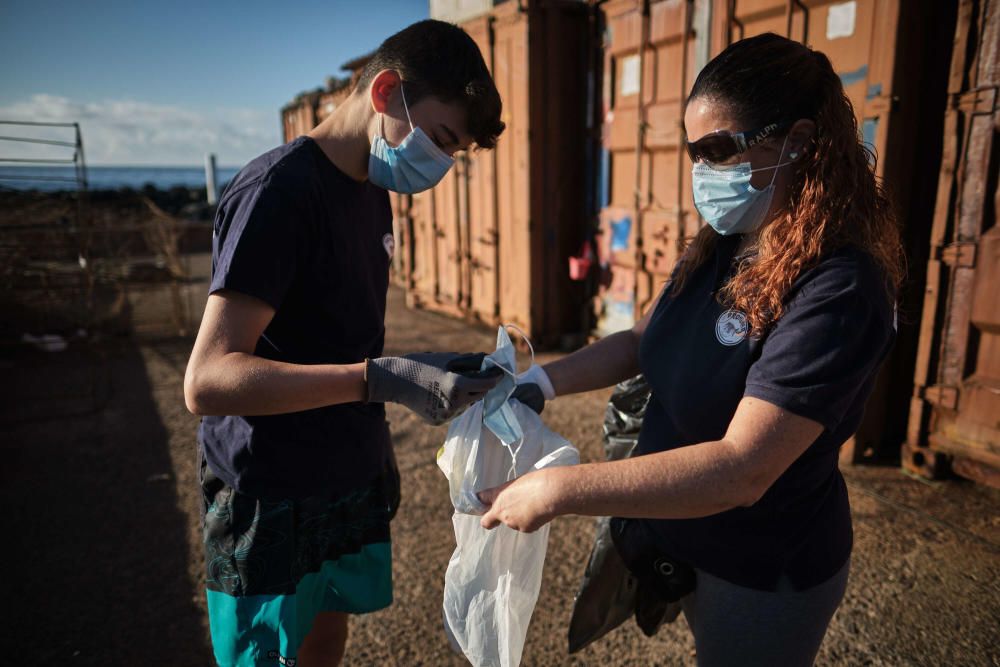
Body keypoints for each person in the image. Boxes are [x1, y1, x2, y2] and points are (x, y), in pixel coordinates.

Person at [480, 33, 904, 666]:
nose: (702, 171)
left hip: (761, 567)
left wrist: (559, 490)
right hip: (685, 537)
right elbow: (639, 340)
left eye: (717, 149)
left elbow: (742, 469)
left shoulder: (839, 288)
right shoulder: (726, 242)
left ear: (796, 139)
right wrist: (538, 383)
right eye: (693, 152)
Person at [183, 20, 505, 667]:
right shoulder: (278, 192)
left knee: (327, 642)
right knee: (268, 656)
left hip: (343, 474)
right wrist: (375, 381)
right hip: (269, 487)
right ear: (385, 90)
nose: (440, 165)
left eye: (454, 154)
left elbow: (345, 337)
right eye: (442, 139)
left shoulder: (371, 195)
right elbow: (207, 380)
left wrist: (398, 403)